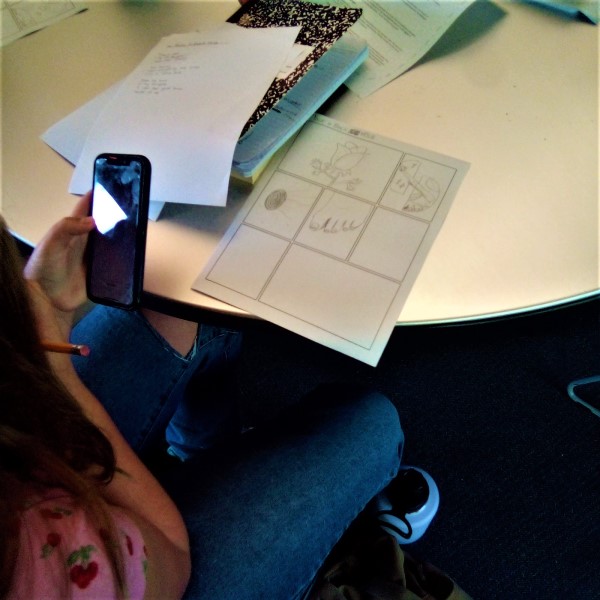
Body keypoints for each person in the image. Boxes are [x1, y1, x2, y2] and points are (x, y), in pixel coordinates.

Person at [0, 196, 404, 599]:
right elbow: (173, 558)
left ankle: (203, 452)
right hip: (140, 562)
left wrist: (44, 323)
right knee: (372, 424)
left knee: (173, 303)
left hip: (19, 429)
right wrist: (56, 373)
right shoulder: (54, 561)